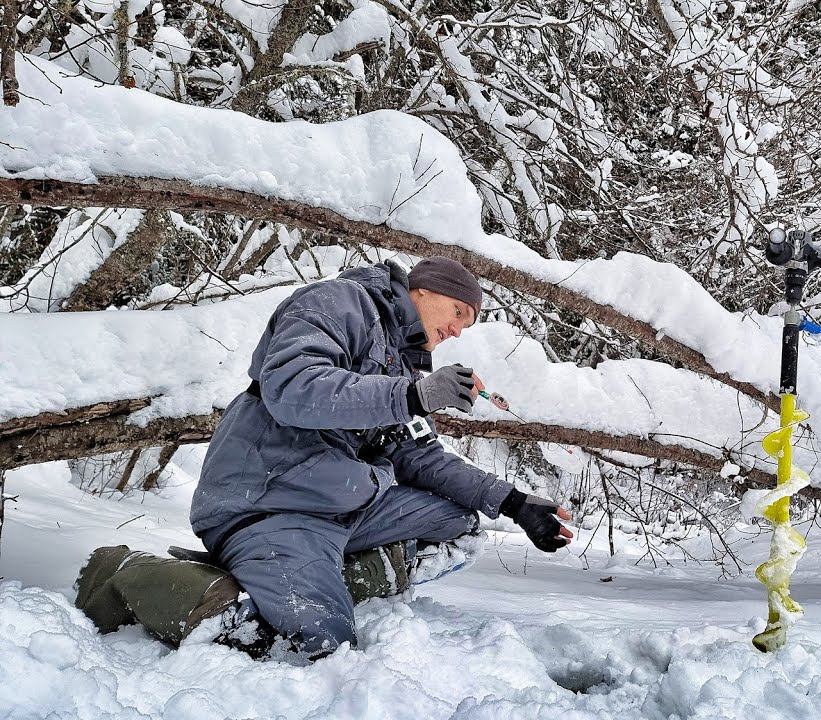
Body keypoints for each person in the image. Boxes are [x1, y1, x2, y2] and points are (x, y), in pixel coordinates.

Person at [74, 258, 573, 659]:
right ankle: (132, 575)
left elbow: (418, 454)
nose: (461, 330)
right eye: (460, 313)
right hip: (270, 502)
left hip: (344, 504)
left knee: (456, 524)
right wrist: (413, 394)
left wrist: (512, 502)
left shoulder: (404, 364)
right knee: (321, 643)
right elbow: (292, 388)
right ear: (423, 289)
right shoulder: (341, 302)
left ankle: (314, 578)